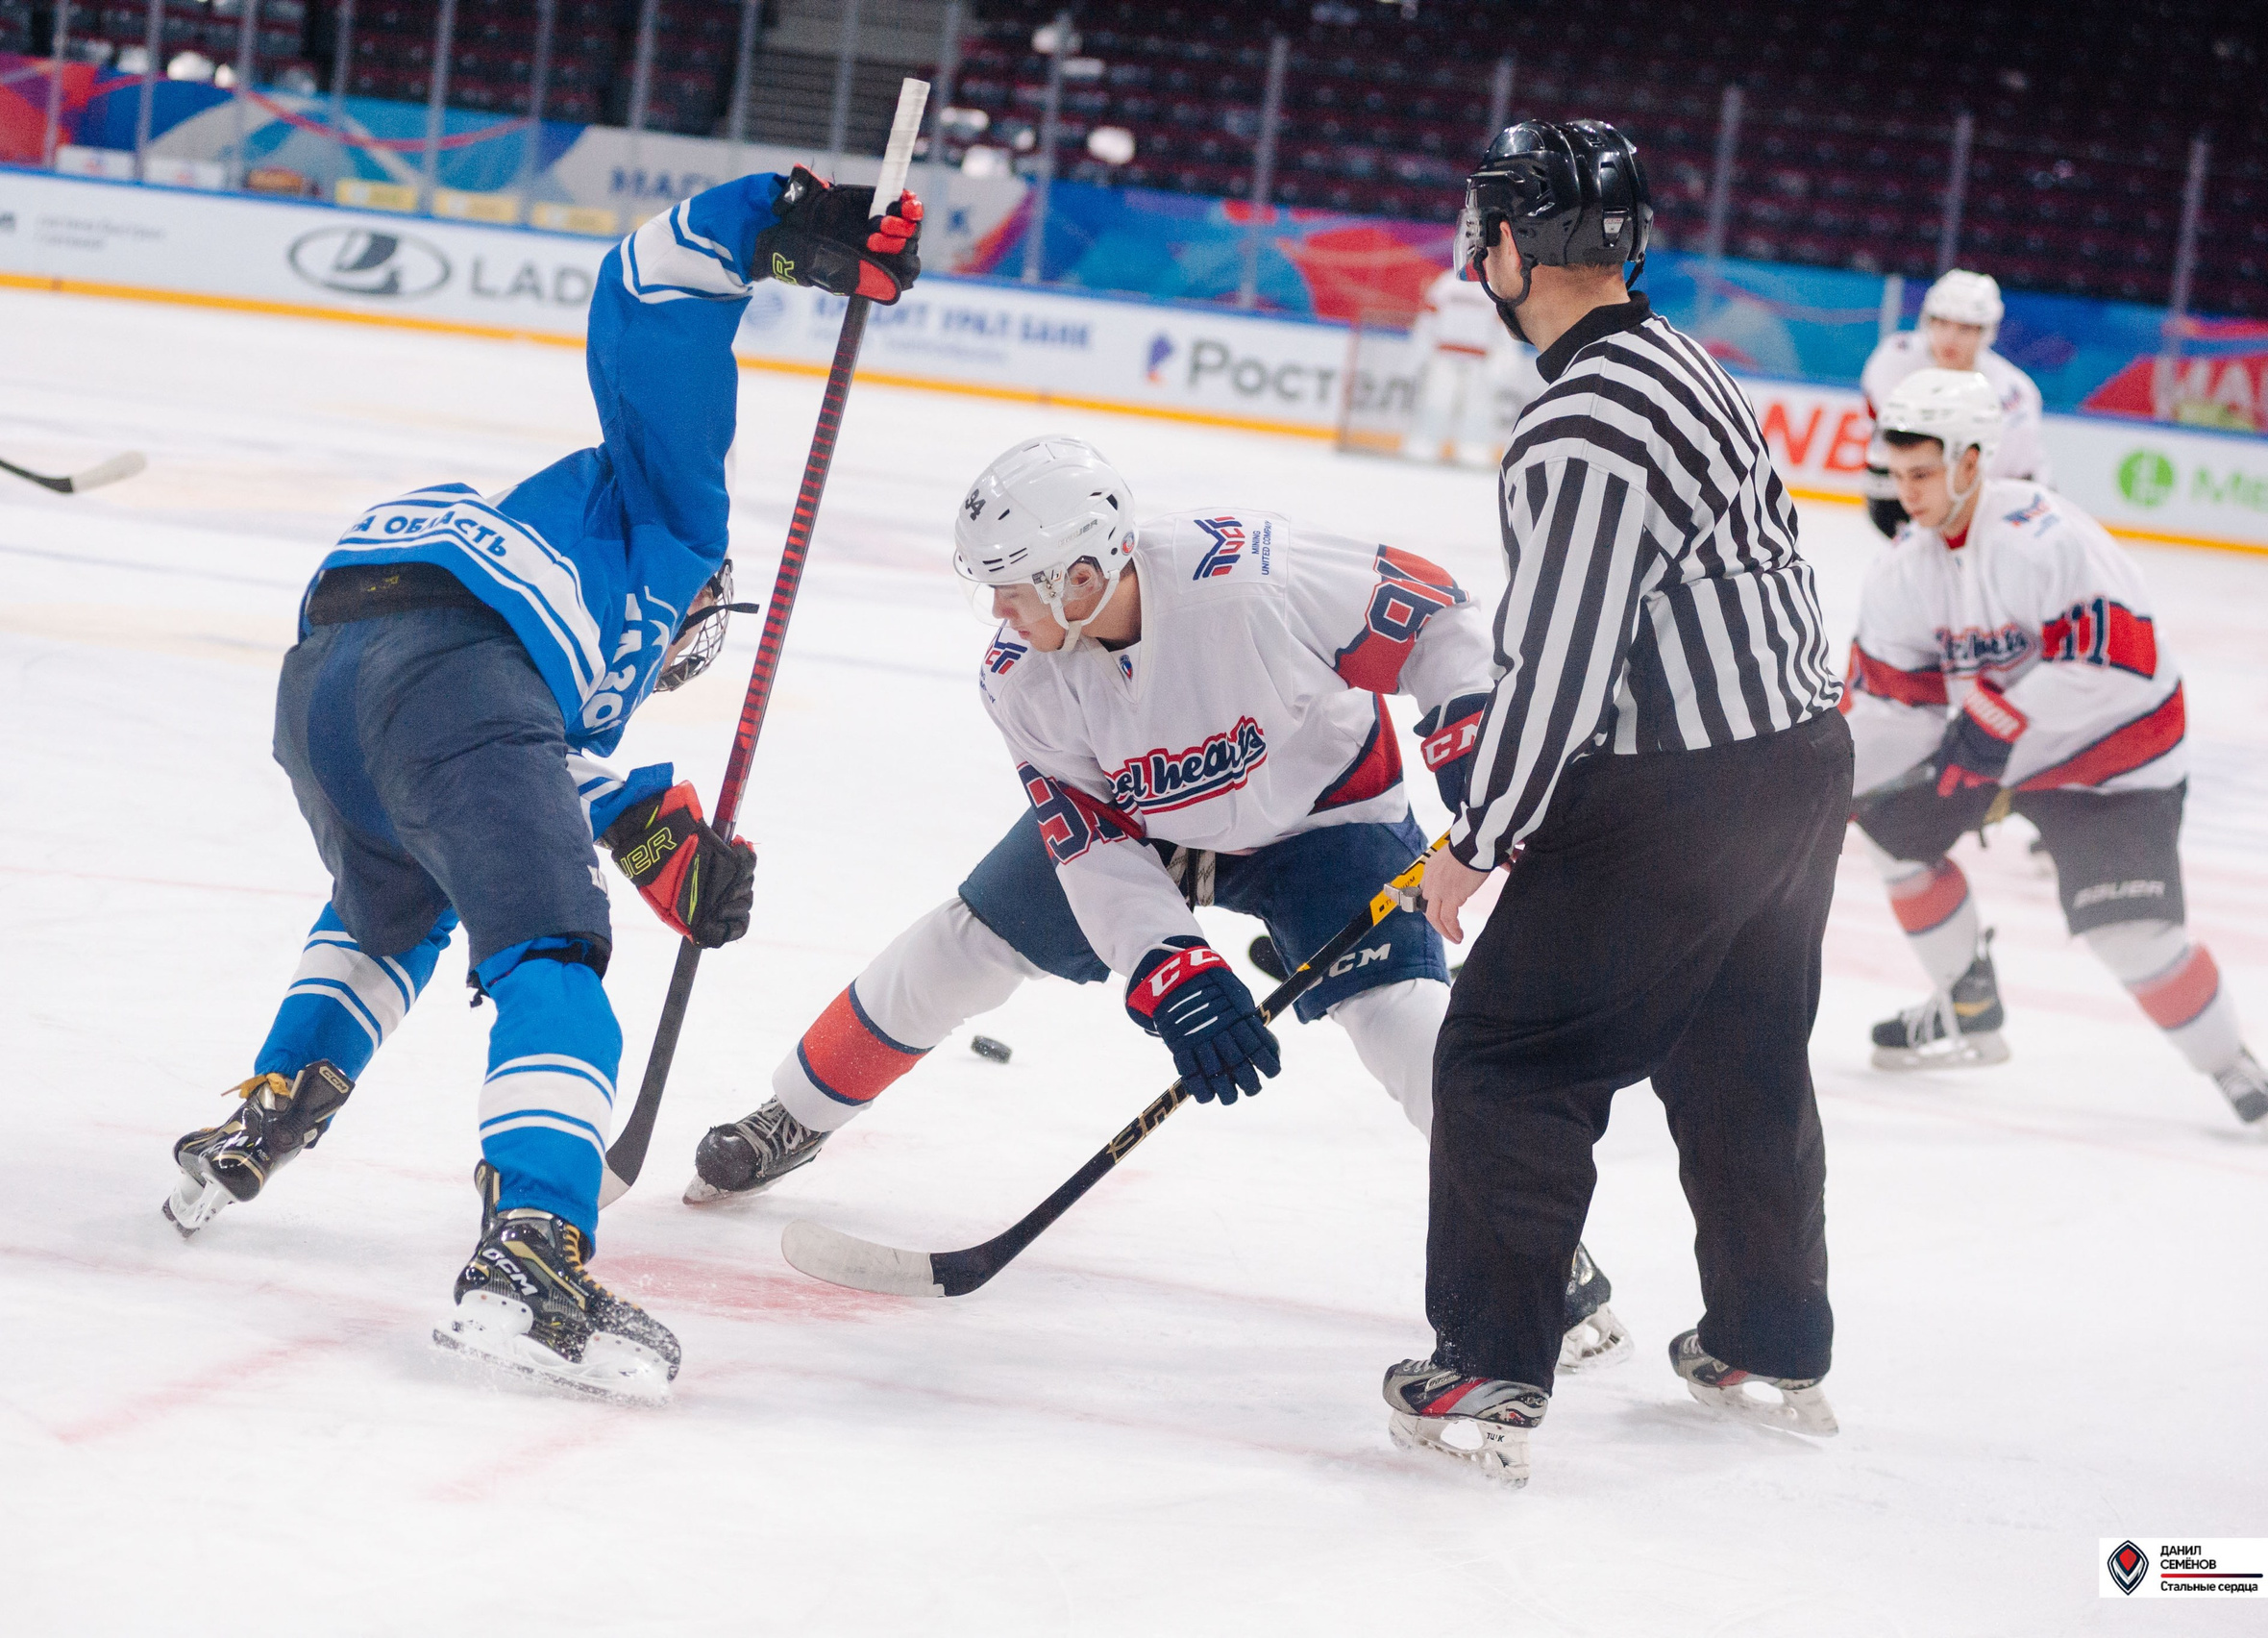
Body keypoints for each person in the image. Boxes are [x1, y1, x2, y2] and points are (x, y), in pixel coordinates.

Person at [158, 168, 925, 1404]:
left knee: (399, 896)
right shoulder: (665, 519)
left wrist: (664, 843)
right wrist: (781, 225)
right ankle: (533, 1251)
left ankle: (273, 1106)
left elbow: (526, 770)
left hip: (329, 682)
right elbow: (645, 303)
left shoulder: (535, 559)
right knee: (554, 964)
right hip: (455, 666)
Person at [683, 434, 1633, 1371]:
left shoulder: (1248, 578)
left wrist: (1470, 729)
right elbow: (1089, 844)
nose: (1001, 615)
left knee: (1402, 1015)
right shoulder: (1021, 678)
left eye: (1016, 588)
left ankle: (1535, 1246)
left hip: (1326, 821)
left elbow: (1431, 614)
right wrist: (1167, 967)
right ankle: (794, 1112)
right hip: (1148, 831)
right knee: (964, 941)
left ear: (1086, 574)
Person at [1384, 119, 1851, 1487]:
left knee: (1509, 1062)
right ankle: (1771, 1341)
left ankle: (1488, 1364)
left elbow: (1564, 665)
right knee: (1737, 1059)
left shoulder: (1579, 421)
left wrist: (1478, 841)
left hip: (1680, 794)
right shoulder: (1681, 357)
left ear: (1510, 247)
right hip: (1797, 762)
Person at [1844, 368, 2265, 1125]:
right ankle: (1967, 1002)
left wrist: (2001, 717)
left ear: (1972, 460)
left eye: (1924, 472)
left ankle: (2233, 1064)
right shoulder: (1903, 572)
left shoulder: (2047, 537)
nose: (1906, 493)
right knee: (1883, 825)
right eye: (1899, 473)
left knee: (2129, 934)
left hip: (2114, 761)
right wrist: (1827, 772)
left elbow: (2120, 666)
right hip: (1997, 754)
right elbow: (1896, 710)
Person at [1859, 269, 2047, 537]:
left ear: (1986, 332)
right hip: (1904, 503)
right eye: (1941, 323)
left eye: (1965, 328)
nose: (1950, 338)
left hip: (1986, 510)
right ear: (1926, 321)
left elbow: (2019, 476)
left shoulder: (2013, 393)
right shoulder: (1894, 360)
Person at [1403, 262, 1525, 468]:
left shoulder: (1492, 288)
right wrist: (1417, 355)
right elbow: (1427, 322)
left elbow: (1503, 329)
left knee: (1478, 408)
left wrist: (1505, 359)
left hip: (1479, 360)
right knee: (1435, 401)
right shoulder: (1446, 283)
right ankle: (1424, 443)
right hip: (1444, 355)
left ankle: (1474, 448)